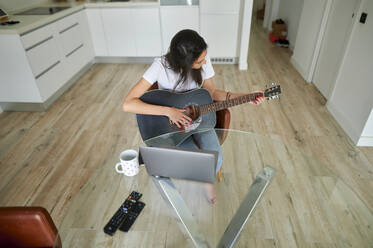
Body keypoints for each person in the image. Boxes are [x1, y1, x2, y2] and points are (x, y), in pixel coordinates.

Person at [122, 29, 265, 204]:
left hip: (200, 121)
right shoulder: (160, 67)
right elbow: (128, 104)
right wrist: (168, 112)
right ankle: (202, 182)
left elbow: (211, 93)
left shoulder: (203, 62)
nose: (205, 62)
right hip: (173, 127)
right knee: (196, 161)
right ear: (184, 62)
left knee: (216, 162)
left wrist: (246, 96)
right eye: (199, 61)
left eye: (204, 58)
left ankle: (203, 177)